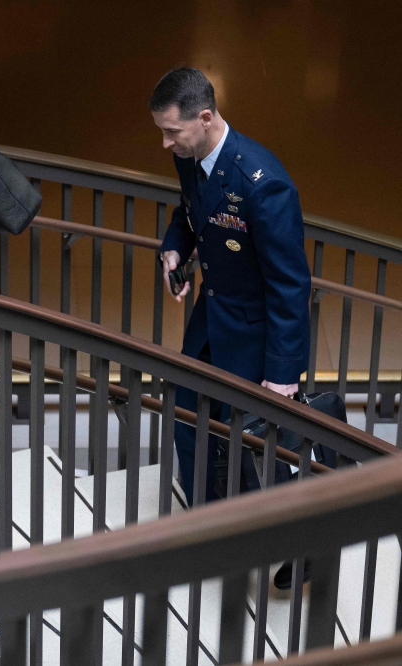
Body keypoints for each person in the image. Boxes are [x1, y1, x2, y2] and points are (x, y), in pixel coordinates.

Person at [151, 67, 311, 587]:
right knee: (186, 414)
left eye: (172, 131)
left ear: (205, 117)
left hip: (254, 334)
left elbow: (290, 284)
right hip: (211, 318)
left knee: (260, 446)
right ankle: (212, 527)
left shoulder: (263, 183)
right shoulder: (192, 157)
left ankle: (300, 543)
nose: (164, 143)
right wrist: (176, 246)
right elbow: (190, 212)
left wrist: (283, 372)